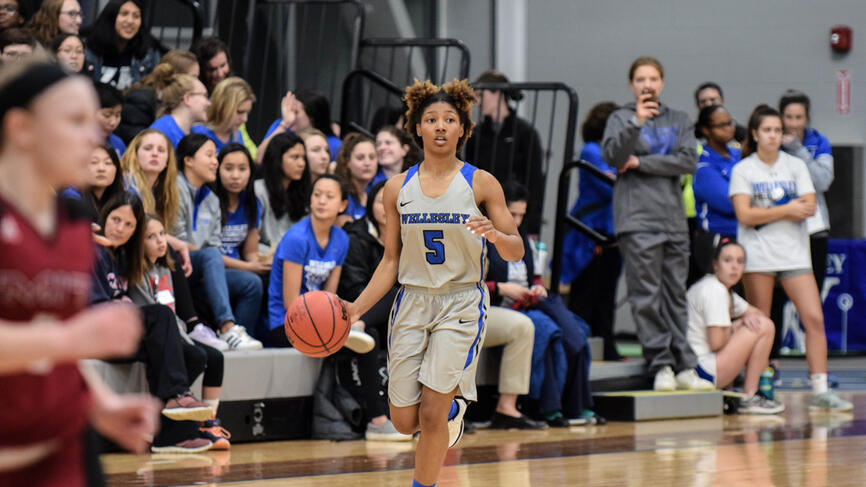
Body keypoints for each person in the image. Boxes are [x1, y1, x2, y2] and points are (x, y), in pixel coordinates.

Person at [346, 78, 525, 487]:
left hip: (461, 302)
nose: (441, 126)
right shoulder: (397, 188)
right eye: (432, 119)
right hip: (411, 301)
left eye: (450, 119)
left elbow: (516, 250)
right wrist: (356, 308)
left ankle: (425, 472)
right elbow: (391, 260)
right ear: (418, 129)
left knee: (428, 414)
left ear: (463, 128)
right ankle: (449, 416)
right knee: (403, 419)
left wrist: (497, 237)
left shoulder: (481, 183)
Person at [0, 57, 158, 486]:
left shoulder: (72, 222)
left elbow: (59, 352)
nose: (94, 137)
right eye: (75, 121)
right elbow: (63, 338)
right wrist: (72, 338)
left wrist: (101, 404)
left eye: (95, 121)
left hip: (63, 450)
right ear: (21, 128)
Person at [729, 104, 851, 411]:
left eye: (778, 131)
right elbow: (744, 214)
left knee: (814, 318)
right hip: (758, 256)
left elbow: (808, 206)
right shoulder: (744, 169)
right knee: (761, 324)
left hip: (795, 254)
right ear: (755, 134)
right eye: (767, 130)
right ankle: (756, 389)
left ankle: (821, 388)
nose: (773, 136)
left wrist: (766, 213)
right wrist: (785, 210)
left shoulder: (795, 165)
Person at [602, 56, 713, 392]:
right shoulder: (620, 118)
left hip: (674, 220)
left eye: (652, 78)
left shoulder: (678, 119)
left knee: (675, 296)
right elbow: (614, 158)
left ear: (662, 83)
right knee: (645, 296)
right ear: (631, 85)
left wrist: (642, 162)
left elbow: (688, 161)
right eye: (640, 79)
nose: (647, 84)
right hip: (636, 220)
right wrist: (635, 123)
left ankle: (685, 365)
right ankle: (660, 363)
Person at [90, 192, 215, 453]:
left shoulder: (123, 254)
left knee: (193, 355)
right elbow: (92, 309)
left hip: (120, 334)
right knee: (160, 314)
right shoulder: (92, 250)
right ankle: (178, 397)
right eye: (115, 220)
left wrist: (176, 243)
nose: (120, 229)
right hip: (94, 335)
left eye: (129, 225)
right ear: (104, 217)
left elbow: (155, 237)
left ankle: (171, 435)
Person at [488, 181, 595, 426]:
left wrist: (537, 286)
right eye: (511, 213)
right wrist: (502, 289)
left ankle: (576, 403)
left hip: (527, 303)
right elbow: (470, 284)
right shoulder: (481, 237)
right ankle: (546, 405)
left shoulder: (522, 237)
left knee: (579, 329)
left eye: (521, 216)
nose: (516, 221)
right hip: (499, 306)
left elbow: (533, 275)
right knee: (547, 330)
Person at [131, 213, 232, 449]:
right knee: (195, 356)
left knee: (212, 356)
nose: (160, 241)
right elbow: (153, 315)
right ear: (138, 243)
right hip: (149, 337)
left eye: (162, 234)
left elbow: (173, 312)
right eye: (151, 237)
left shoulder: (165, 268)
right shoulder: (137, 272)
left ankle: (204, 423)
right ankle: (168, 424)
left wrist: (184, 339)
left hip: (172, 333)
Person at [174, 133, 264, 350]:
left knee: (252, 283)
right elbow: (177, 241)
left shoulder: (212, 198)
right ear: (188, 160)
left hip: (206, 266)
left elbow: (213, 245)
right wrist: (210, 260)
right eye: (210, 155)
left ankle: (238, 337)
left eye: (216, 156)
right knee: (211, 255)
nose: (215, 161)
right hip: (177, 264)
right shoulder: (174, 188)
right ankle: (226, 326)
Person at [267, 174, 373, 349]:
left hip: (317, 314)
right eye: (317, 195)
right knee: (338, 341)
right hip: (287, 321)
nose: (321, 201)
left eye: (329, 196)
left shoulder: (341, 239)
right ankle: (345, 334)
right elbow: (291, 303)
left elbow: (329, 294)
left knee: (371, 334)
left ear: (342, 205)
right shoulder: (297, 238)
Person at [686, 238, 784, 414]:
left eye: (740, 261)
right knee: (764, 327)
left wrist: (745, 320)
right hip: (701, 373)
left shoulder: (722, 289)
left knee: (761, 323)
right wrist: (738, 325)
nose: (734, 267)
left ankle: (745, 393)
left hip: (699, 370)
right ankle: (749, 396)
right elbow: (716, 342)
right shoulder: (714, 290)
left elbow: (758, 314)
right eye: (728, 260)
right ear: (715, 265)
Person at [771, 90, 835, 360]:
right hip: (780, 232)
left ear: (807, 118)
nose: (793, 123)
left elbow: (822, 181)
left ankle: (818, 372)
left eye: (799, 117)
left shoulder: (818, 142)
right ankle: (768, 367)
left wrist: (797, 151)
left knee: (812, 306)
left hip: (813, 232)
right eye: (788, 117)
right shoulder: (771, 141)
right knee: (774, 303)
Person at [561, 101, 622, 361]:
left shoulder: (613, 154)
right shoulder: (591, 150)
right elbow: (611, 186)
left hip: (611, 232)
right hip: (590, 231)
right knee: (586, 294)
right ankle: (578, 349)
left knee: (606, 294)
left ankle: (607, 346)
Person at [464, 69, 544, 235]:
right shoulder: (476, 135)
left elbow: (535, 182)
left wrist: (532, 226)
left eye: (481, 95)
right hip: (483, 215)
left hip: (515, 215)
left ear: (497, 93)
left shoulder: (525, 133)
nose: (477, 102)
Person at [120, 53, 204, 144]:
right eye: (193, 77)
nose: (197, 82)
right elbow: (137, 141)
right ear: (176, 76)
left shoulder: (174, 101)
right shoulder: (141, 99)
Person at [214, 143, 270, 276]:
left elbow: (250, 252)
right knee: (252, 283)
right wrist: (248, 267)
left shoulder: (252, 203)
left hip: (238, 267)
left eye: (242, 169)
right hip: (213, 269)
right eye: (228, 169)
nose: (235, 176)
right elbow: (208, 252)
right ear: (217, 169)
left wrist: (262, 263)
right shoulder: (210, 201)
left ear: (251, 172)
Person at [255, 132, 312, 254]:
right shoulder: (258, 191)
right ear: (277, 159)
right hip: (266, 258)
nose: (302, 164)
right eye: (295, 157)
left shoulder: (302, 192)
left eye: (303, 158)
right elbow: (252, 244)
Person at [83, 0, 160, 90]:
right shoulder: (86, 48)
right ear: (111, 16)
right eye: (124, 14)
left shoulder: (148, 53)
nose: (130, 21)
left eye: (136, 16)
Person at [260, 89, 342, 161]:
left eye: (296, 112)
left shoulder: (334, 144)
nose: (290, 115)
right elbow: (260, 159)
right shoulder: (281, 126)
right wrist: (284, 124)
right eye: (289, 110)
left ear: (312, 116)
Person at [191, 76, 255, 154]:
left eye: (247, 113)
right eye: (240, 112)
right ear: (223, 107)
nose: (245, 119)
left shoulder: (238, 136)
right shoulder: (199, 133)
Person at [149, 70, 211, 148]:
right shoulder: (161, 132)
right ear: (187, 99)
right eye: (204, 96)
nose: (209, 103)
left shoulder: (197, 132)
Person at [62, 142, 124, 220]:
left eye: (108, 163)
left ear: (117, 170)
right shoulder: (71, 196)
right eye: (94, 162)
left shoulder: (120, 202)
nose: (101, 168)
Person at [334, 132, 378, 223]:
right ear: (347, 162)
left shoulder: (375, 192)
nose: (367, 163)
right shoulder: (340, 194)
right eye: (360, 158)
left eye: (372, 157)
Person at [93, 81, 125, 156]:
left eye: (117, 115)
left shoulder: (118, 144)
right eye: (107, 115)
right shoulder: (71, 143)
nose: (113, 122)